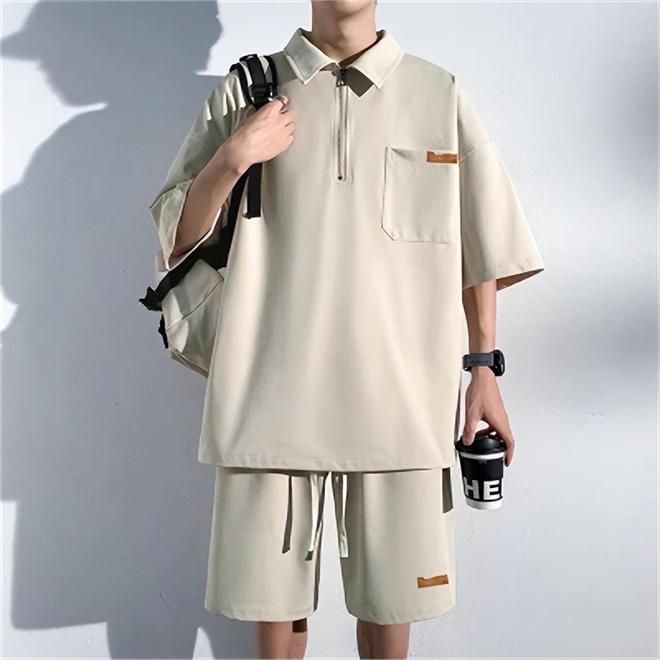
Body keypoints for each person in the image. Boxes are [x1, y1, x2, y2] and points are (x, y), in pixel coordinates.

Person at [147, 1, 545, 657]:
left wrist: (484, 370)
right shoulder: (246, 90)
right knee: (274, 619)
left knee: (391, 614)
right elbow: (176, 240)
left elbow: (481, 244)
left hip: (403, 408)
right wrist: (234, 157)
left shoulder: (438, 93)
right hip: (266, 401)